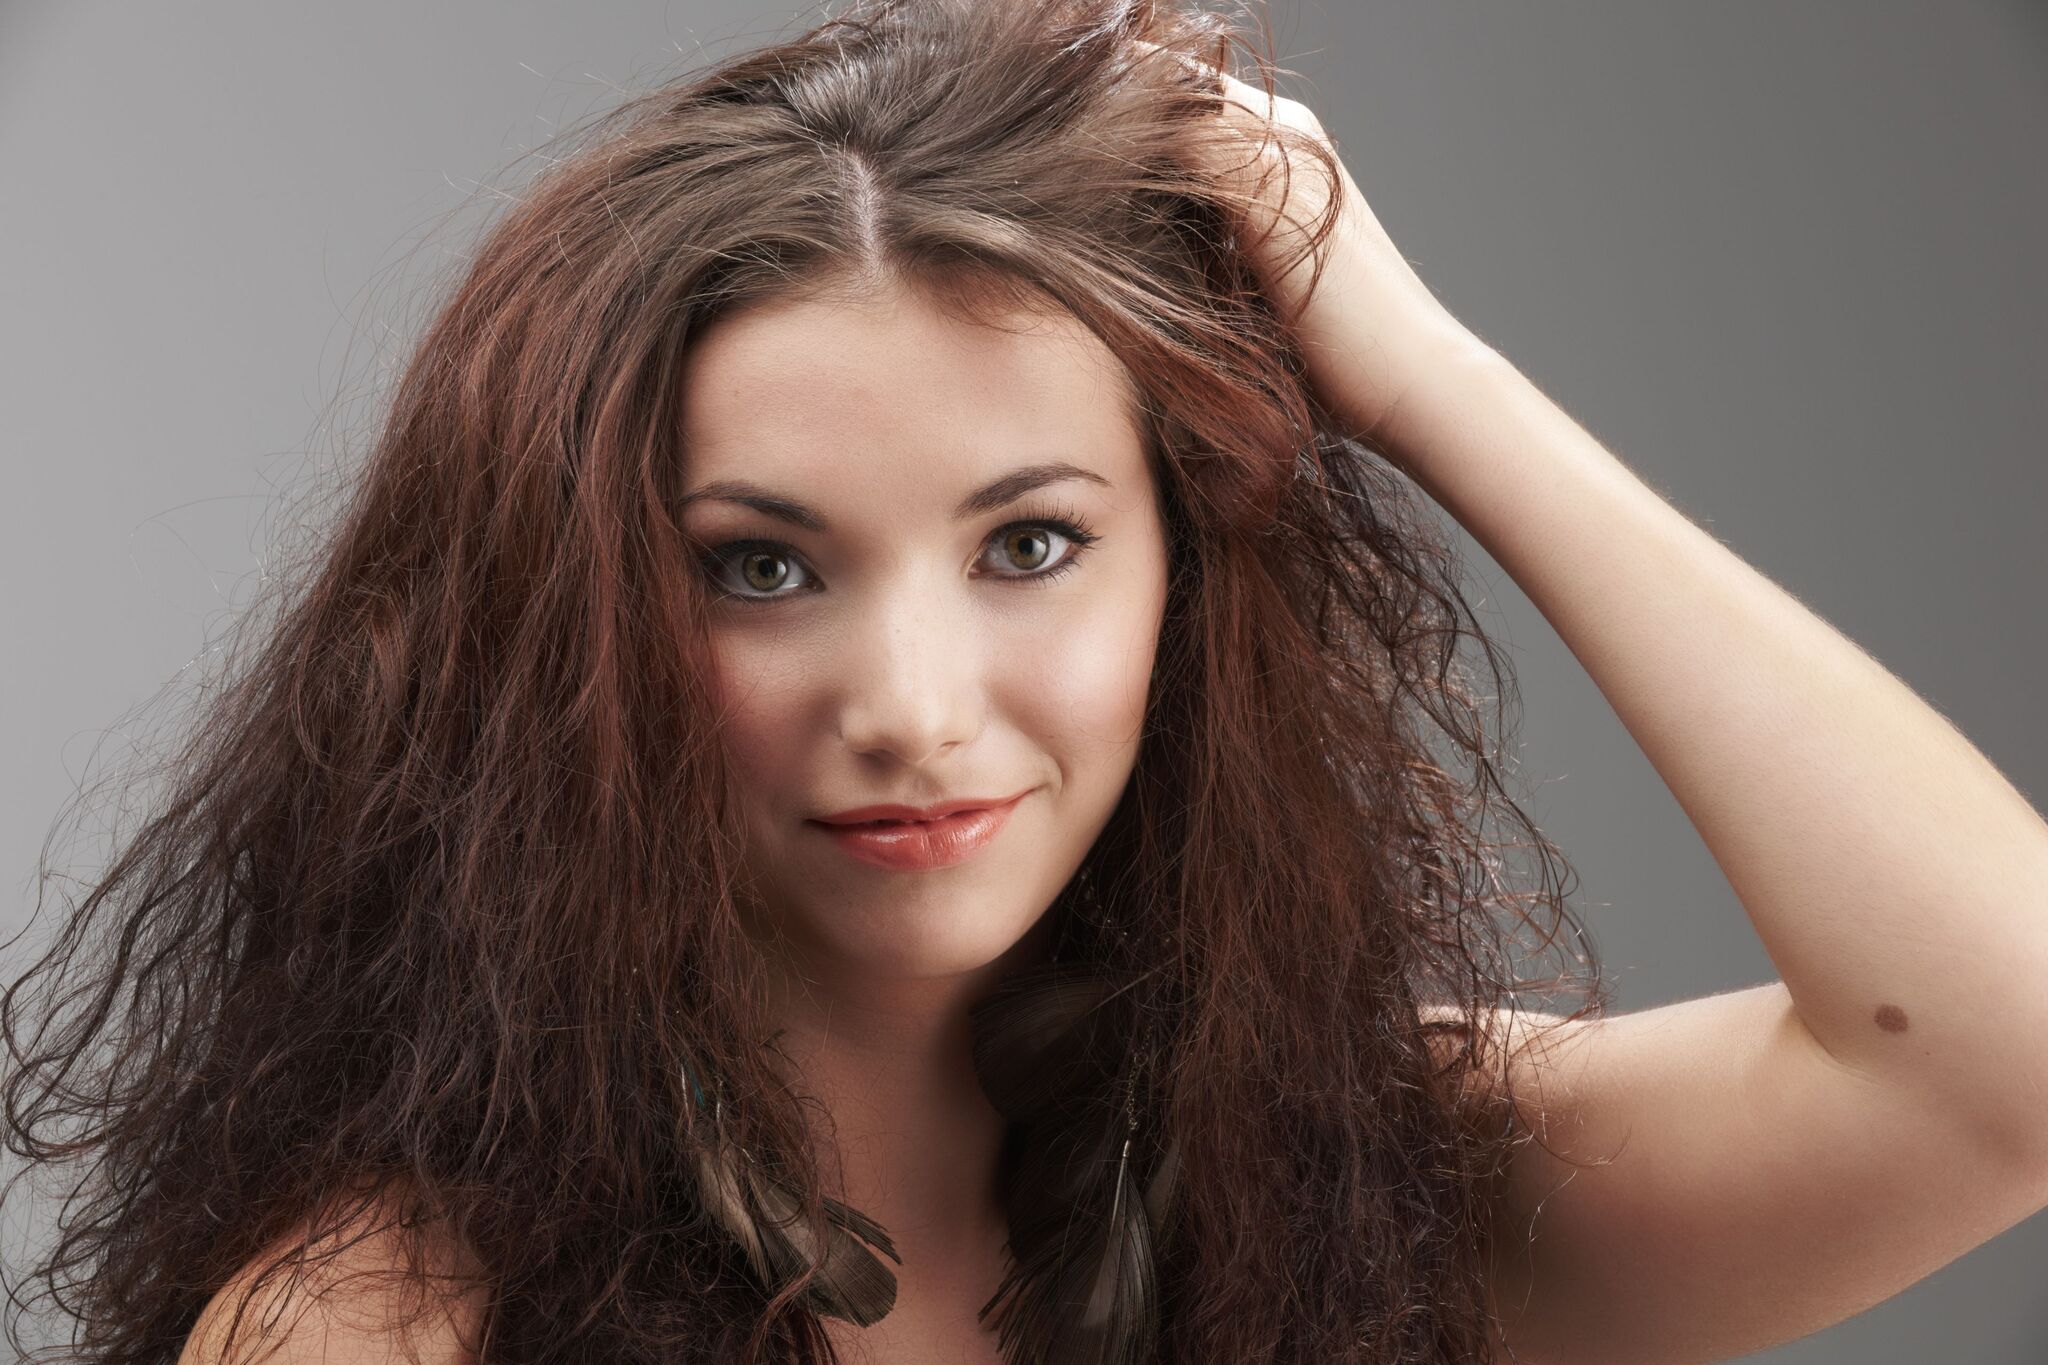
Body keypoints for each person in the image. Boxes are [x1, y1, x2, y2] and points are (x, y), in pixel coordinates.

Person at [7, 1, 2044, 1363]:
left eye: (1032, 542)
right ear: (569, 624)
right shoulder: (389, 1316)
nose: (911, 696)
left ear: (1187, 569)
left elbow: (2002, 1048)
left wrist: (1421, 374)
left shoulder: (1364, 1180)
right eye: (760, 565)